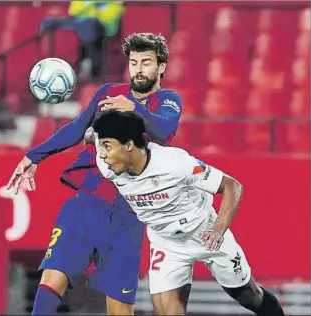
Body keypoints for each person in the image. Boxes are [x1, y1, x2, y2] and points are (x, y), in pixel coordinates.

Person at [6, 33, 182, 315]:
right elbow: (77, 128)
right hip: (86, 202)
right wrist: (34, 155)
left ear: (161, 67)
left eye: (146, 62)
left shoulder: (168, 101)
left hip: (128, 215)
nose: (138, 69)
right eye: (134, 62)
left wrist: (133, 108)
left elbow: (163, 130)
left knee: (119, 308)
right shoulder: (108, 93)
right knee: (53, 276)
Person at [92, 110, 285, 316]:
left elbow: (232, 186)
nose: (102, 154)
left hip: (204, 232)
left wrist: (218, 230)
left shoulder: (175, 164)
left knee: (250, 297)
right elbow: (92, 135)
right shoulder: (108, 164)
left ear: (129, 145)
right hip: (165, 242)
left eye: (107, 146)